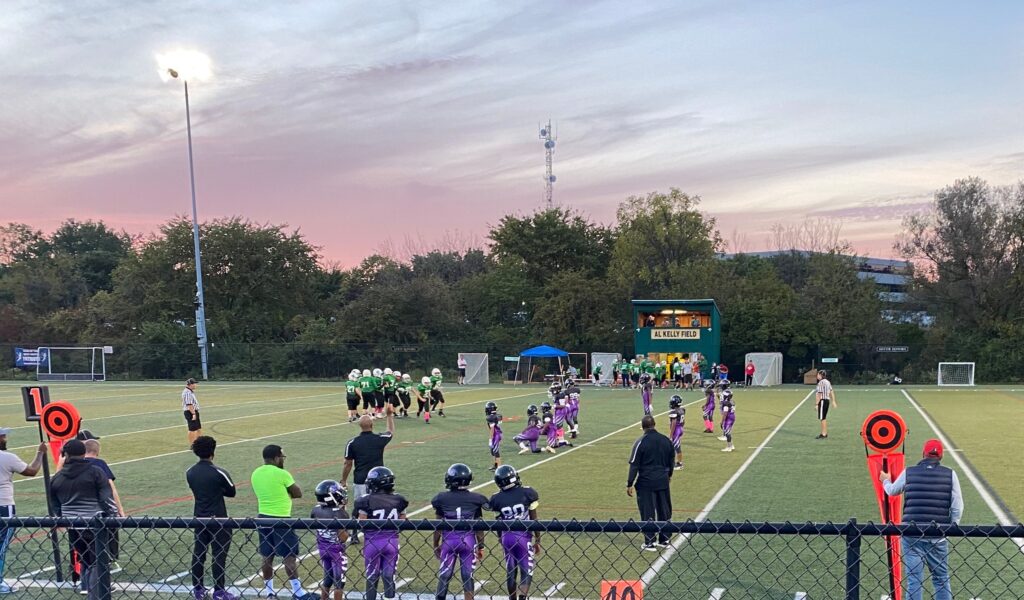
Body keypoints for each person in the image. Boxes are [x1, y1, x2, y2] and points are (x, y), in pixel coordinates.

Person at [880, 439, 963, 600]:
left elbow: (892, 491)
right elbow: (957, 506)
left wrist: (885, 479)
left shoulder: (909, 472)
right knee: (941, 578)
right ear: (941, 456)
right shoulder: (950, 474)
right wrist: (951, 527)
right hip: (937, 534)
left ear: (923, 454)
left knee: (914, 579)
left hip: (912, 532)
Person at [50, 439, 117, 599]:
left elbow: (56, 506)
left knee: (85, 560)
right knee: (98, 563)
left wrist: (60, 520)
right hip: (96, 524)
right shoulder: (95, 472)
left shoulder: (57, 478)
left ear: (64, 455)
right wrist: (112, 518)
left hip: (73, 526)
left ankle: (88, 591)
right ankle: (96, 596)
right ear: (83, 453)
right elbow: (106, 498)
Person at [250, 444, 315, 599]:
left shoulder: (256, 473)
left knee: (267, 556)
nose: (283, 460)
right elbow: (297, 493)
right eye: (282, 457)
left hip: (262, 518)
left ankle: (270, 592)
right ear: (276, 458)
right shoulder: (282, 474)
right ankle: (298, 592)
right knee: (289, 556)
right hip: (281, 520)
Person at [186, 435, 238, 600]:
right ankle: (219, 591)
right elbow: (231, 492)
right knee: (219, 554)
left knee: (199, 552)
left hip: (199, 518)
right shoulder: (219, 472)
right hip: (219, 519)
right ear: (212, 452)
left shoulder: (190, 472)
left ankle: (198, 589)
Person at [431, 464, 489, 600]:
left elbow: (438, 525)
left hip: (448, 541)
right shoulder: (477, 498)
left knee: (445, 574)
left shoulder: (441, 498)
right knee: (467, 575)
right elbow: (478, 527)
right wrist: (481, 546)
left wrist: (435, 544)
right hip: (468, 541)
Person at [0, 428, 45, 594]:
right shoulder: (7, 457)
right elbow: (32, 471)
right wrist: (40, 453)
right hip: (4, 507)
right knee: (1, 545)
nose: (5, 439)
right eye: (2, 437)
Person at [342, 409, 396, 542]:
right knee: (378, 504)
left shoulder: (352, 443)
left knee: (359, 505)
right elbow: (390, 432)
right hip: (377, 479)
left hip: (360, 479)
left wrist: (343, 480)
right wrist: (389, 416)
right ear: (372, 425)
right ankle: (377, 530)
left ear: (360, 426)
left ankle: (354, 534)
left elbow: (347, 463)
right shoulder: (379, 439)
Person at [354, 467, 408, 600]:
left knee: (372, 576)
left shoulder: (365, 500)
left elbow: (362, 522)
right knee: (389, 575)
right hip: (392, 542)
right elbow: (403, 522)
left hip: (372, 542)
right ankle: (390, 597)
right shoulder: (399, 499)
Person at [489, 465, 541, 600]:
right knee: (526, 571)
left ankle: (512, 598)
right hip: (523, 536)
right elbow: (534, 518)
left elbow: (498, 523)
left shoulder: (496, 499)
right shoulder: (527, 492)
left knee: (511, 570)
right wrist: (538, 539)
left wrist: (500, 538)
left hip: (507, 536)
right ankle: (522, 597)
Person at [626, 415, 675, 550]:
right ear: (654, 424)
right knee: (664, 510)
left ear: (643, 427)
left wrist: (630, 483)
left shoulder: (640, 442)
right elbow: (671, 461)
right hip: (663, 480)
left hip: (646, 482)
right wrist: (669, 475)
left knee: (647, 511)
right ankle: (664, 539)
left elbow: (634, 465)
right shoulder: (666, 440)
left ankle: (650, 541)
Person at [311, 480, 350, 600]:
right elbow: (343, 537)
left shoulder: (315, 510)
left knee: (327, 579)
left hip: (323, 549)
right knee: (339, 582)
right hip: (336, 551)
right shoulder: (340, 513)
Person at [815, 370, 838, 439]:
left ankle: (824, 433)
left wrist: (816, 404)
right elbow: (831, 391)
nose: (817, 376)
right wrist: (833, 401)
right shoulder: (828, 382)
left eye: (818, 374)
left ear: (821, 375)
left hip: (822, 401)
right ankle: (824, 433)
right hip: (827, 401)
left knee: (822, 418)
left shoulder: (821, 383)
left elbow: (819, 394)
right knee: (823, 418)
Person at [182, 377, 202, 445]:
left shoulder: (190, 392)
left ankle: (199, 443)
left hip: (193, 411)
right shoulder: (187, 392)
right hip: (190, 412)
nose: (196, 385)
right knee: (192, 429)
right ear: (190, 384)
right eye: (194, 383)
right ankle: (192, 444)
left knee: (198, 428)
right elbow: (189, 404)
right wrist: (193, 414)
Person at [668, 395, 685, 470]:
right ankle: (675, 462)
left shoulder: (673, 412)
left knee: (677, 448)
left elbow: (674, 423)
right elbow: (683, 421)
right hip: (680, 428)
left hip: (676, 431)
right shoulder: (682, 410)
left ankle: (680, 464)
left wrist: (671, 435)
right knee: (674, 446)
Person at [485, 402, 503, 471]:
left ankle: (499, 467)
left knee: (495, 451)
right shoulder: (497, 416)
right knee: (492, 451)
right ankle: (496, 465)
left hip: (496, 435)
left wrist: (490, 439)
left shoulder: (490, 417)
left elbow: (492, 429)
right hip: (497, 434)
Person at [718, 387, 736, 452]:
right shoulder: (732, 401)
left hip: (728, 418)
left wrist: (722, 421)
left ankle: (729, 447)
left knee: (727, 433)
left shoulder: (726, 403)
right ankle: (732, 445)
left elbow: (725, 413)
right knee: (728, 432)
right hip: (732, 416)